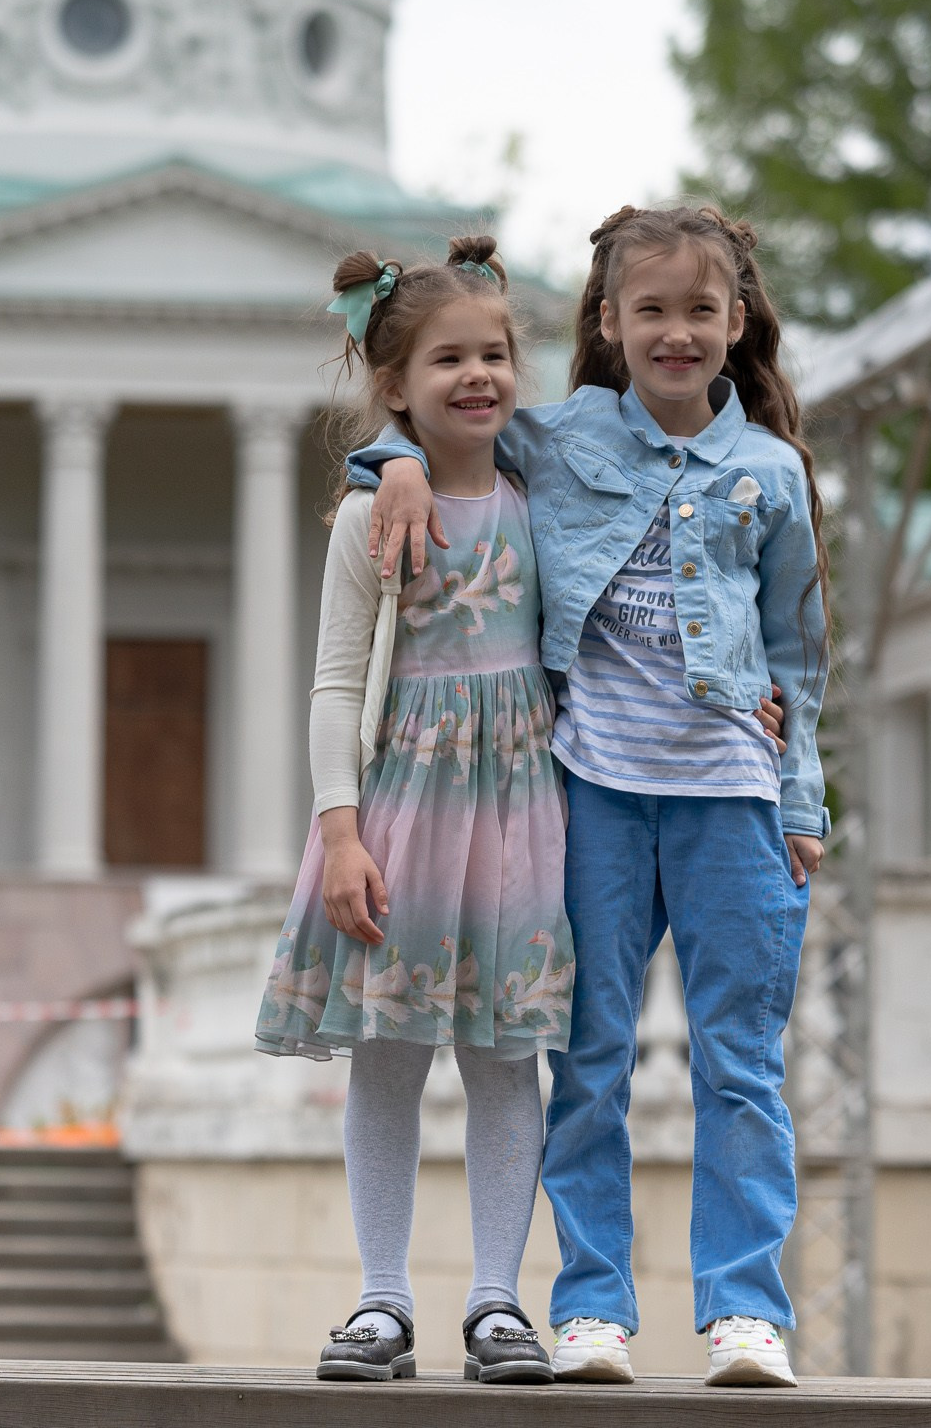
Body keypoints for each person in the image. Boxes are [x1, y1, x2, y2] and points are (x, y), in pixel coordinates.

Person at [349, 204, 827, 1388]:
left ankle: (743, 1313)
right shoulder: (556, 440)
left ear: (736, 324)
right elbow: (439, 427)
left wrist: (803, 798)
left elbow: (799, 649)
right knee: (592, 1059)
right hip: (592, 799)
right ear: (608, 323)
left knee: (740, 1062)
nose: (675, 332)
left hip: (734, 800)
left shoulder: (770, 470)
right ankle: (594, 1309)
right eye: (650, 311)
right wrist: (396, 463)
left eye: (699, 312)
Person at [253, 237, 572, 1386]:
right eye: (448, 359)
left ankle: (498, 1298)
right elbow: (338, 678)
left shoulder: (545, 497)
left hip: (521, 809)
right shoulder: (370, 513)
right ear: (394, 383)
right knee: (386, 1056)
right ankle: (381, 1299)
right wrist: (339, 828)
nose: (479, 375)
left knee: (505, 1058)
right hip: (400, 812)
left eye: (495, 353)